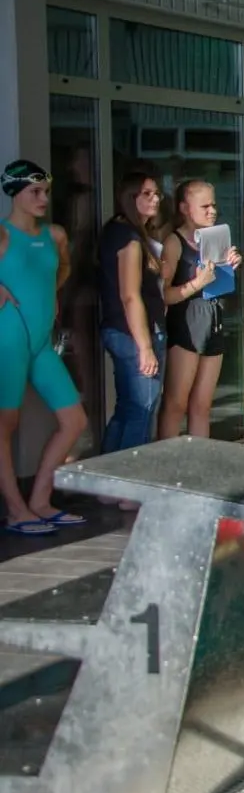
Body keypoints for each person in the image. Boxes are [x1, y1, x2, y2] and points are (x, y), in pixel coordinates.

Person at [0, 161, 89, 536]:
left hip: (39, 343)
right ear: (14, 193)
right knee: (5, 427)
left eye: (46, 191)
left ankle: (39, 500)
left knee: (75, 421)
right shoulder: (2, 235)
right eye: (34, 192)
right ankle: (16, 510)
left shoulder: (54, 235)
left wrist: (52, 290)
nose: (43, 198)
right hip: (8, 339)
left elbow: (63, 267)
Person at [157, 179, 243, 440]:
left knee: (202, 405)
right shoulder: (174, 242)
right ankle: (167, 466)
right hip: (185, 326)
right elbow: (163, 294)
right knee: (175, 405)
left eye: (214, 205)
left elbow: (222, 288)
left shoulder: (215, 237)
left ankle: (198, 465)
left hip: (213, 320)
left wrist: (229, 268)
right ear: (185, 208)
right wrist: (198, 282)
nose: (212, 211)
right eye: (204, 206)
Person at [98, 173, 168, 465]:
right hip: (134, 334)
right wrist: (145, 347)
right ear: (130, 197)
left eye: (156, 194)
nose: (154, 199)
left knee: (127, 408)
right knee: (142, 409)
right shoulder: (128, 238)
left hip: (120, 330)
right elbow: (130, 295)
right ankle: (128, 485)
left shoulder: (120, 230)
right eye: (146, 194)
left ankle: (104, 482)